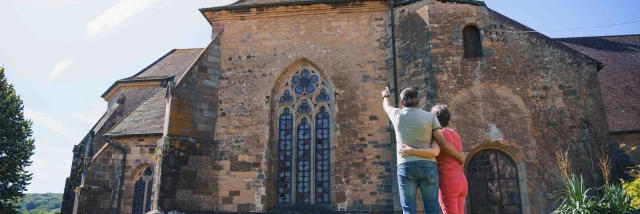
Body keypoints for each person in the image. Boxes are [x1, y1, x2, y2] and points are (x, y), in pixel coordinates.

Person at [382, 87, 465, 214]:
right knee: (432, 208)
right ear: (419, 100)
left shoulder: (396, 114)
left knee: (409, 209)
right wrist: (459, 156)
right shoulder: (431, 118)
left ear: (401, 102)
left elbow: (386, 106)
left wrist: (385, 95)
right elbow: (443, 143)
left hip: (405, 165)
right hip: (428, 165)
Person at [401, 105, 467, 214]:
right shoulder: (455, 134)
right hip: (462, 181)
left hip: (448, 181)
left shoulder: (439, 134)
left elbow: (434, 151)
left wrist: (411, 150)